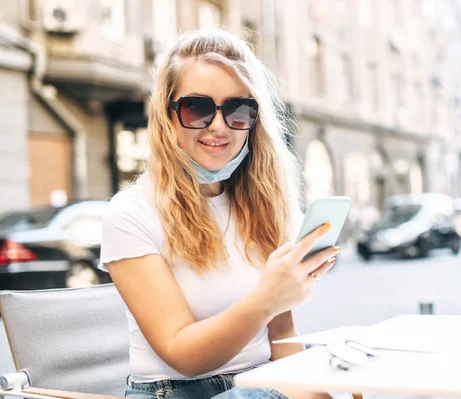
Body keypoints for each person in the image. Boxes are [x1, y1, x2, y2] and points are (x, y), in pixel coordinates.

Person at [100, 28, 340, 399]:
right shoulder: (130, 213)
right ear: (167, 116)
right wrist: (270, 295)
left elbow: (283, 337)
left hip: (262, 385)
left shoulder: (262, 204)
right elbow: (183, 354)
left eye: (237, 110)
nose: (218, 126)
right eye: (197, 108)